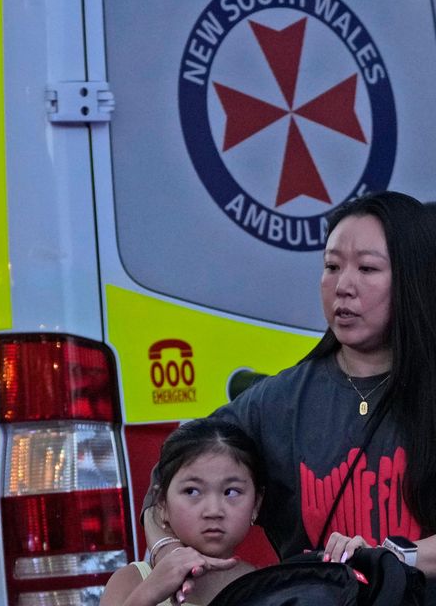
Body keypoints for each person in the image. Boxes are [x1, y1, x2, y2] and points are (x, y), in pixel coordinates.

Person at [141, 191, 436, 599]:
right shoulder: (278, 402)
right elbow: (164, 480)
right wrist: (168, 551)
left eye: (367, 268)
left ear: (413, 277)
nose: (343, 286)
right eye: (331, 266)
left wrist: (390, 556)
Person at [101, 418, 264, 605]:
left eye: (231, 492)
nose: (213, 510)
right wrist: (150, 591)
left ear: (256, 504)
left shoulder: (267, 588)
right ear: (162, 503)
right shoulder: (132, 581)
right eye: (192, 491)